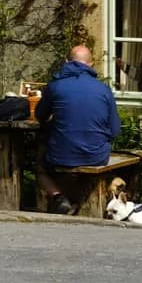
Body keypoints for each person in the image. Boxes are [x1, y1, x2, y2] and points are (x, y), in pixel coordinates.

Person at [34, 44, 122, 215]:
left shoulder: (55, 86)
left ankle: (58, 196)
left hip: (61, 155)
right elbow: (115, 130)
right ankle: (77, 200)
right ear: (91, 64)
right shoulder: (104, 90)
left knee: (40, 168)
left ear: (66, 61)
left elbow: (40, 116)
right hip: (97, 156)